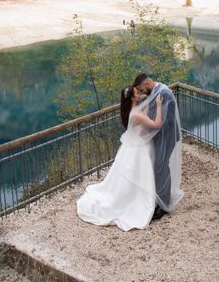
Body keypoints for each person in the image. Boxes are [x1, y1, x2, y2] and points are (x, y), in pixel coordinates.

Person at [76, 86, 164, 231]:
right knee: (138, 175)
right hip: (138, 149)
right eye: (137, 93)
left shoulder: (132, 111)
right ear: (132, 98)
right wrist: (159, 106)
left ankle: (130, 196)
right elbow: (156, 124)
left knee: (131, 176)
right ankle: (132, 201)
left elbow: (138, 126)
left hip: (131, 148)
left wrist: (147, 110)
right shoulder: (136, 113)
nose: (139, 94)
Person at [133, 73, 183, 220]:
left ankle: (163, 204)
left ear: (147, 83)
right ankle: (158, 199)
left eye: (141, 90)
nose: (142, 94)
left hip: (167, 138)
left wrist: (150, 131)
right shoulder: (155, 92)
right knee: (158, 167)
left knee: (160, 167)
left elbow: (167, 121)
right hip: (159, 138)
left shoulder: (165, 93)